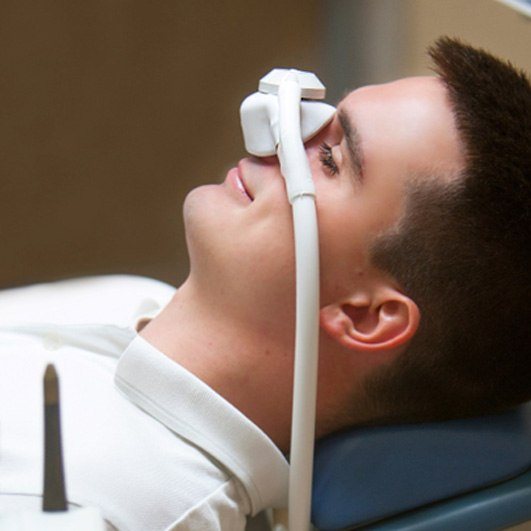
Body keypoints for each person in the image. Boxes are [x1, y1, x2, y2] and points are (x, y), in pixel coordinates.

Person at [0, 37, 529, 530]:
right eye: (316, 119)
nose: (283, 136)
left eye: (330, 159)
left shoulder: (95, 508)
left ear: (365, 316)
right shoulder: (129, 297)